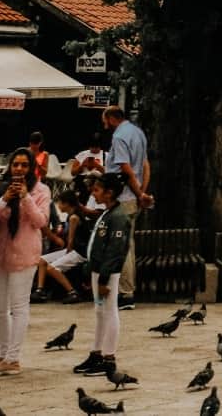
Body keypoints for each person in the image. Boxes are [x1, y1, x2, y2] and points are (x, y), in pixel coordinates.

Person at [0, 149, 49, 377]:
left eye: (24, 165)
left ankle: (14, 358)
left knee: (19, 307)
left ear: (31, 168)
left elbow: (40, 221)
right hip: (0, 253)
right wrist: (4, 200)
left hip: (25, 254)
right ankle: (4, 353)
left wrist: (25, 198)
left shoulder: (41, 190)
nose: (19, 169)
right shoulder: (0, 189)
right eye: (15, 165)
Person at [72, 173, 131, 377]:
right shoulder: (107, 214)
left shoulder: (119, 217)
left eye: (97, 190)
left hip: (108, 274)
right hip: (98, 271)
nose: (93, 193)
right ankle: (96, 353)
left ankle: (109, 358)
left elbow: (115, 251)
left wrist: (104, 278)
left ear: (110, 193)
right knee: (100, 312)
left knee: (110, 311)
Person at [101, 106, 151, 306]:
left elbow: (125, 169)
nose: (103, 124)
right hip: (133, 197)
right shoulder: (137, 133)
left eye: (104, 120)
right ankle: (125, 289)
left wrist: (139, 193)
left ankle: (125, 292)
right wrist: (142, 192)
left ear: (111, 119)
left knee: (122, 245)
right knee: (127, 243)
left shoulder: (119, 137)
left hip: (123, 198)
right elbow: (145, 166)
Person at [35, 190, 88, 304]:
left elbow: (71, 239)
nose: (58, 205)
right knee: (42, 260)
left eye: (60, 202)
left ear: (67, 203)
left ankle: (72, 292)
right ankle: (40, 290)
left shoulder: (74, 217)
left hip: (79, 252)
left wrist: (65, 254)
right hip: (71, 250)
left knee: (51, 268)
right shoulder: (70, 216)